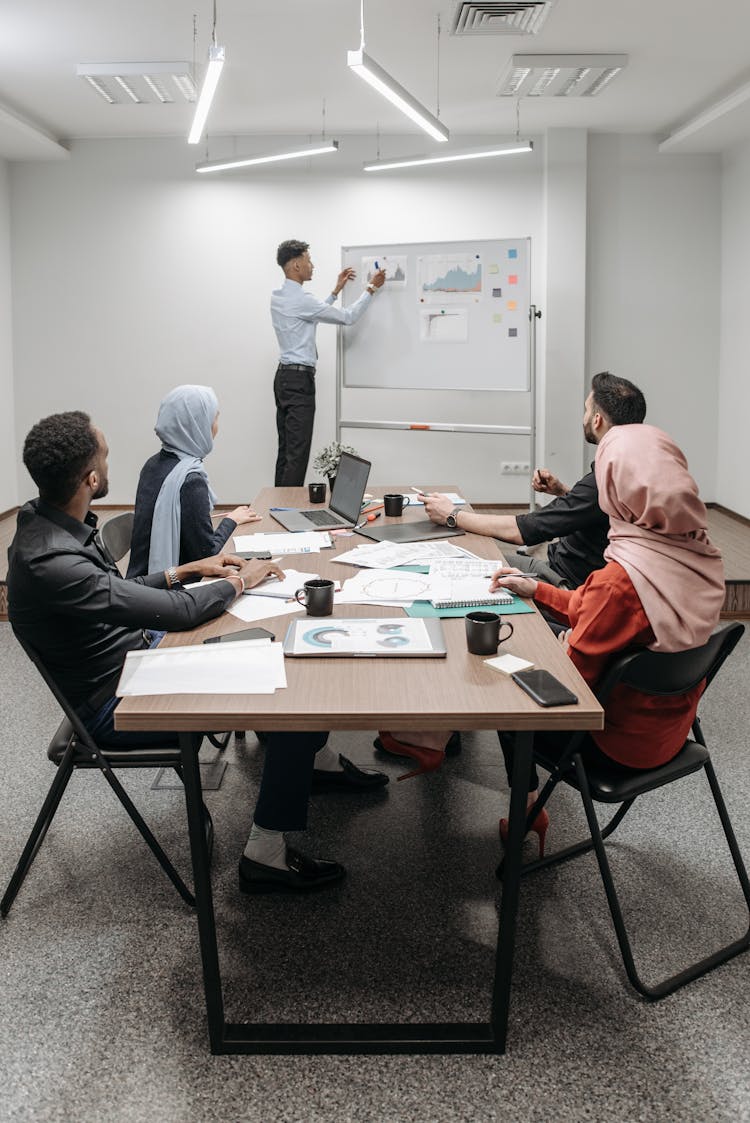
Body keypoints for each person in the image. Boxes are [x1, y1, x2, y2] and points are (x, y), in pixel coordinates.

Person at [8, 411, 388, 895]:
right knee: (297, 691)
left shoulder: (49, 524)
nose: (110, 459)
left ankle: (315, 762)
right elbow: (180, 613)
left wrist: (188, 568)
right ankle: (266, 855)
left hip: (133, 663)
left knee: (279, 648)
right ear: (92, 478)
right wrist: (237, 580)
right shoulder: (52, 561)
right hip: (117, 704)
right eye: (105, 455)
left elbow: (113, 592)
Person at [490, 422, 725, 855]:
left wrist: (519, 654)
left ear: (615, 491)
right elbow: (598, 610)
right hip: (671, 734)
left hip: (613, 744)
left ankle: (527, 810)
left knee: (507, 686)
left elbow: (568, 685)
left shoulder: (622, 578)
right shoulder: (699, 560)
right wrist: (536, 590)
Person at [423, 371, 647, 589]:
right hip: (563, 569)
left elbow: (522, 531)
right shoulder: (632, 467)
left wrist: (451, 515)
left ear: (597, 420)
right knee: (471, 559)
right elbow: (598, 513)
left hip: (564, 582)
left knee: (463, 569)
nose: (583, 418)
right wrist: (563, 492)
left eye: (586, 410)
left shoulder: (601, 481)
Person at [270, 239, 385, 487]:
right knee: (297, 454)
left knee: (286, 451)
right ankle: (286, 511)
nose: (313, 265)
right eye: (309, 260)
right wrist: (370, 289)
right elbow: (348, 317)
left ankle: (275, 508)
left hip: (283, 379)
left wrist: (335, 292)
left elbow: (310, 314)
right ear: (297, 264)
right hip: (299, 382)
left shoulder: (279, 297)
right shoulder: (301, 300)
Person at [127, 384, 260, 579]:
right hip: (170, 590)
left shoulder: (153, 464)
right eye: (214, 419)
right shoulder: (190, 481)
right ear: (197, 425)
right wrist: (231, 521)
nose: (216, 427)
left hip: (139, 581)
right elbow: (207, 556)